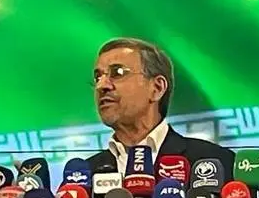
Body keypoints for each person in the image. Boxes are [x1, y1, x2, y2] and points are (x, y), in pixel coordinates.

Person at [86, 37, 235, 179]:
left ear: (157, 88)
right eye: (98, 77)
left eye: (118, 72)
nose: (101, 86)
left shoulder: (215, 162)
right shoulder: (84, 176)